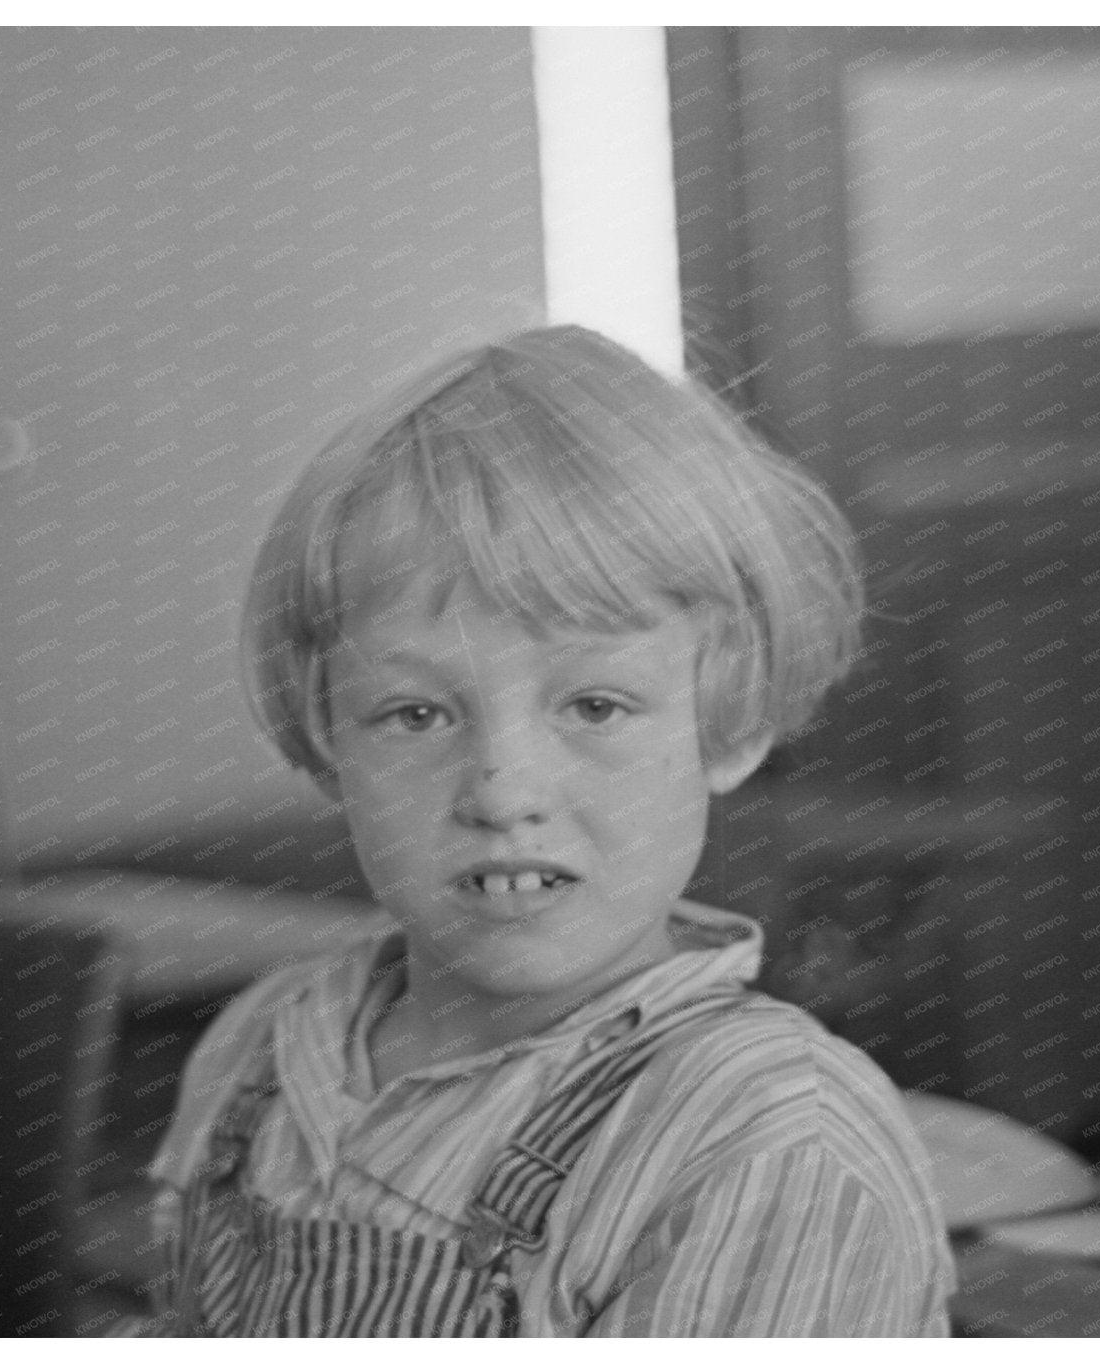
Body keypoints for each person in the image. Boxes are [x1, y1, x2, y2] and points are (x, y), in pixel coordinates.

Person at [126, 326, 954, 1336]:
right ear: (324, 731)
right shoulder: (258, 1045)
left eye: (594, 705)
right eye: (417, 714)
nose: (501, 790)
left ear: (726, 717)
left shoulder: (769, 1143)